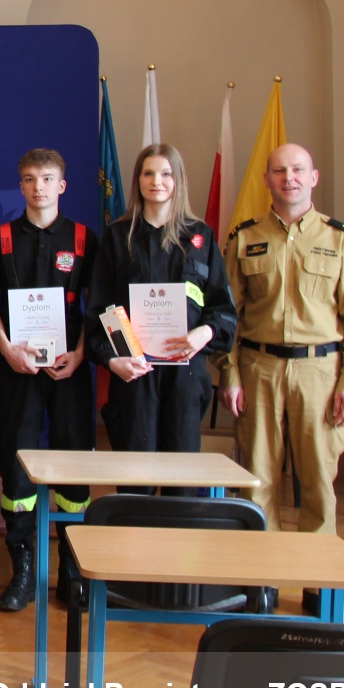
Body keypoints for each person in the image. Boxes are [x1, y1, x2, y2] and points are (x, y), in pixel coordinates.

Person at [219, 143, 344, 537]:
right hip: (259, 370)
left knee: (319, 482)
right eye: (279, 170)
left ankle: (317, 573)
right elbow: (226, 316)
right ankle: (263, 572)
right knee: (257, 481)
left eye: (298, 170)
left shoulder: (341, 240)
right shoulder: (243, 238)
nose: (289, 178)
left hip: (319, 373)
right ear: (266, 179)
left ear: (313, 178)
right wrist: (229, 373)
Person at [0, 148, 97, 612]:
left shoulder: (84, 238)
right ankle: (23, 570)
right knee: (16, 463)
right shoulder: (1, 238)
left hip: (69, 369)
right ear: (21, 186)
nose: (38, 187)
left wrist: (81, 354)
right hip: (18, 369)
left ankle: (72, 569)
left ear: (61, 185)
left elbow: (96, 305)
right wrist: (8, 349)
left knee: (74, 465)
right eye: (29, 179)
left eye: (47, 178)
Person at [85, 143, 237, 470]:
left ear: (178, 180)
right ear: (138, 180)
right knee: (136, 475)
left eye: (166, 174)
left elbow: (222, 308)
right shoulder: (117, 238)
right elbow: (99, 310)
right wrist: (112, 360)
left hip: (185, 375)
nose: (157, 181)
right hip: (134, 375)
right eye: (148, 173)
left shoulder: (201, 238)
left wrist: (204, 334)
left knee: (181, 476)